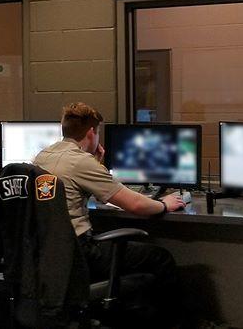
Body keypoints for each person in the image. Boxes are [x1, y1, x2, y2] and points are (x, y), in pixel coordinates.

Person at [33, 102, 184, 322]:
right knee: (161, 258)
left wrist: (95, 165)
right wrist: (164, 204)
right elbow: (136, 205)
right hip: (79, 252)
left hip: (49, 252)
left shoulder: (42, 156)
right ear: (92, 132)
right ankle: (172, 324)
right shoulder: (81, 162)